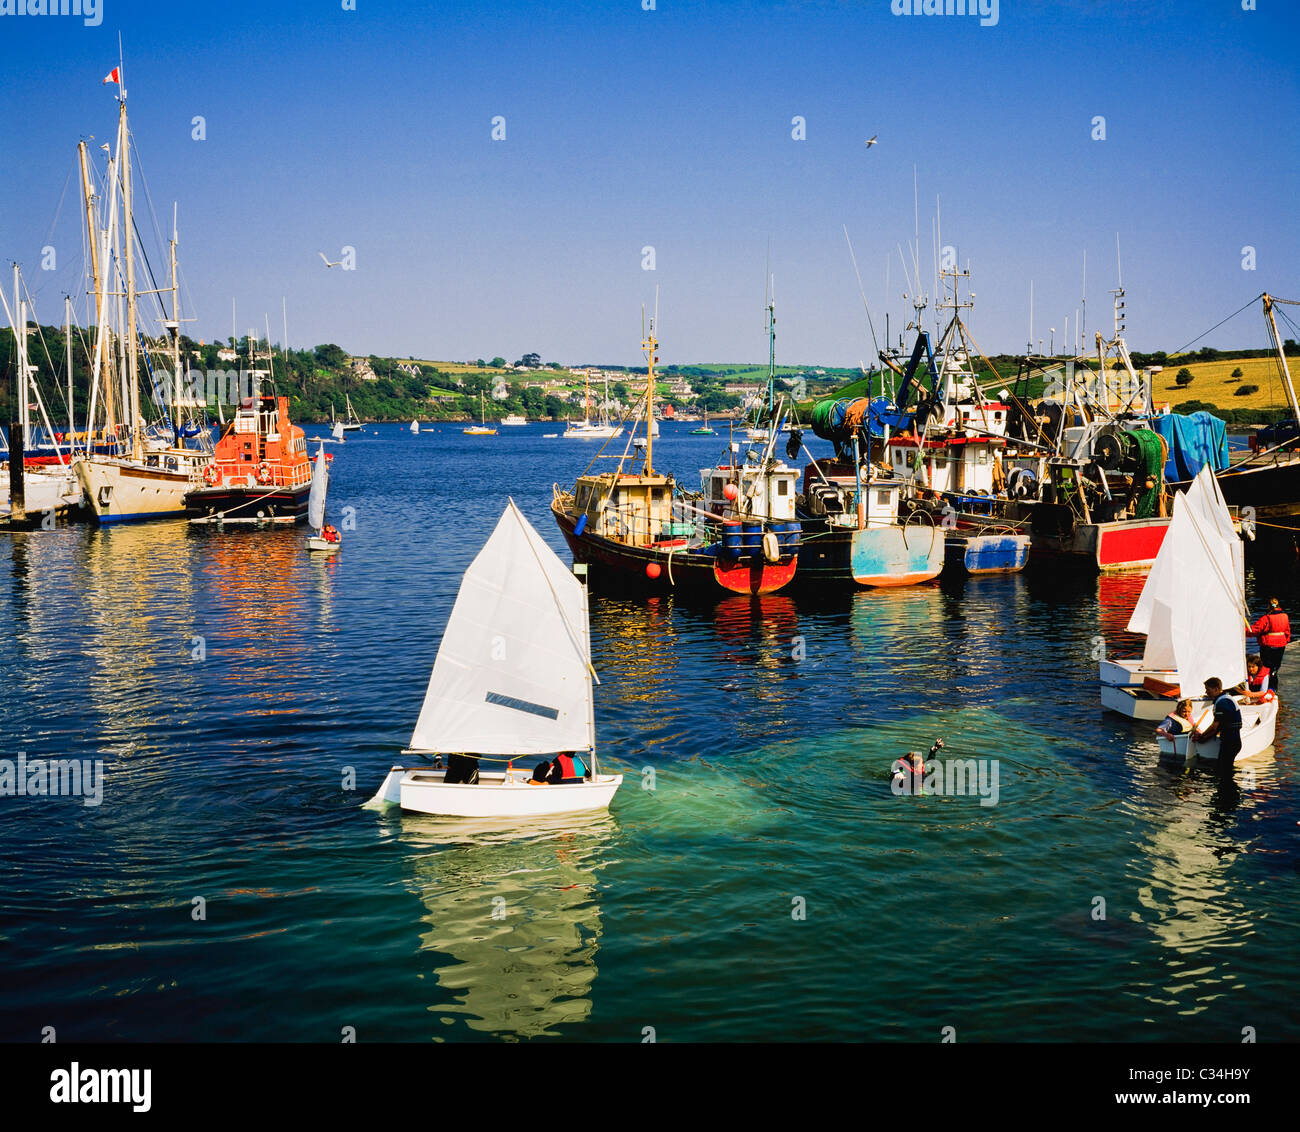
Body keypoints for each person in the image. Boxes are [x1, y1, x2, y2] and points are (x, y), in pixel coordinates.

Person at [1190, 678, 1241, 778]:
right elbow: (1218, 727)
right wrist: (1204, 738)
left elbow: (1214, 727)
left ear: (1217, 689)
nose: (1206, 692)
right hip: (1233, 742)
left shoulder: (1222, 703)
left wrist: (1201, 735)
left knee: (1224, 771)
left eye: (1208, 689)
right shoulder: (1227, 698)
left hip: (1230, 743)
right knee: (1225, 770)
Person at [1249, 597, 1289, 692]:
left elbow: (1255, 629)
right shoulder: (1285, 616)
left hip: (1268, 646)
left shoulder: (1266, 618)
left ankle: (1266, 688)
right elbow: (1287, 632)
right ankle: (1273, 689)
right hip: (1281, 646)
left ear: (1268, 606)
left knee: (1266, 668)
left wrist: (1244, 631)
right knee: (1275, 668)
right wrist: (1285, 641)